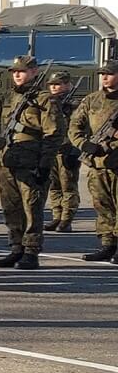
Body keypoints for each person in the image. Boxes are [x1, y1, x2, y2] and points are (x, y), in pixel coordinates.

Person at [0, 55, 63, 269]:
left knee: (32, 208)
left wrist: (44, 164)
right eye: (14, 71)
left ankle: (31, 251)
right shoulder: (6, 98)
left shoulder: (45, 100)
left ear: (34, 72)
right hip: (8, 161)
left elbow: (54, 134)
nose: (17, 74)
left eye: (21, 71)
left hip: (31, 163)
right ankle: (16, 247)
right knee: (11, 207)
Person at [67, 58, 118, 261]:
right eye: (102, 74)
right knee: (102, 206)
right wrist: (84, 144)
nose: (104, 77)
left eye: (110, 73)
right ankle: (108, 245)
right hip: (98, 164)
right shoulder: (91, 100)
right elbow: (74, 126)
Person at [45, 70, 81, 232]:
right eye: (52, 84)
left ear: (67, 85)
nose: (54, 87)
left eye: (58, 84)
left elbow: (81, 129)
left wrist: (75, 150)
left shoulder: (75, 105)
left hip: (67, 150)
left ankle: (66, 219)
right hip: (51, 149)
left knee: (68, 186)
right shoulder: (48, 103)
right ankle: (56, 216)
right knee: (53, 185)